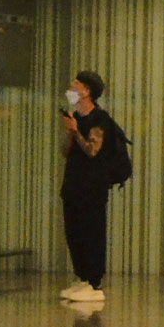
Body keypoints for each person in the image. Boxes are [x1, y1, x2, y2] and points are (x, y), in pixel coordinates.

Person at [60, 70, 112, 303]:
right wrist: (69, 132)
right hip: (72, 185)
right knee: (74, 232)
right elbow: (65, 151)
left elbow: (92, 150)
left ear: (87, 90)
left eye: (76, 83)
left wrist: (76, 132)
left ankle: (94, 281)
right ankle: (81, 277)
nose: (72, 86)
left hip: (92, 188)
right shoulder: (76, 118)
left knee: (91, 233)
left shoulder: (100, 119)